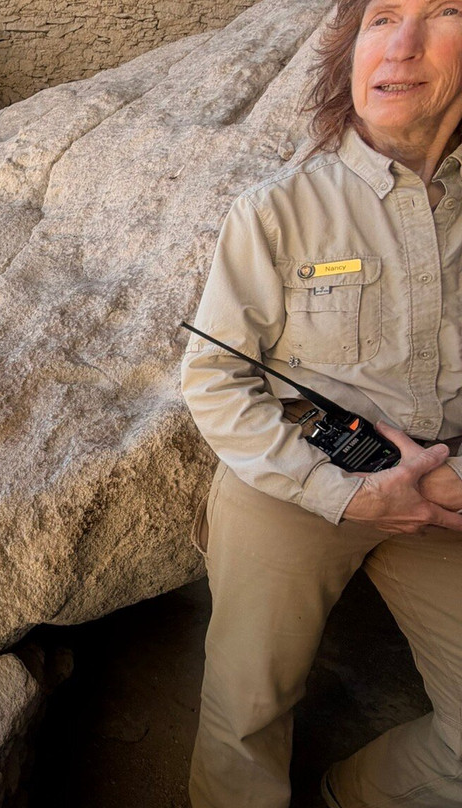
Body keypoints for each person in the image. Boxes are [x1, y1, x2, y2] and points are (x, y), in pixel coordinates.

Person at [181, 1, 462, 806]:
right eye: (382, 17)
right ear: (349, 52)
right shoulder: (274, 211)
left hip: (443, 494)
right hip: (295, 486)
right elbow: (213, 380)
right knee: (243, 717)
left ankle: (352, 795)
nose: (402, 45)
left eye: (443, 11)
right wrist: (347, 491)